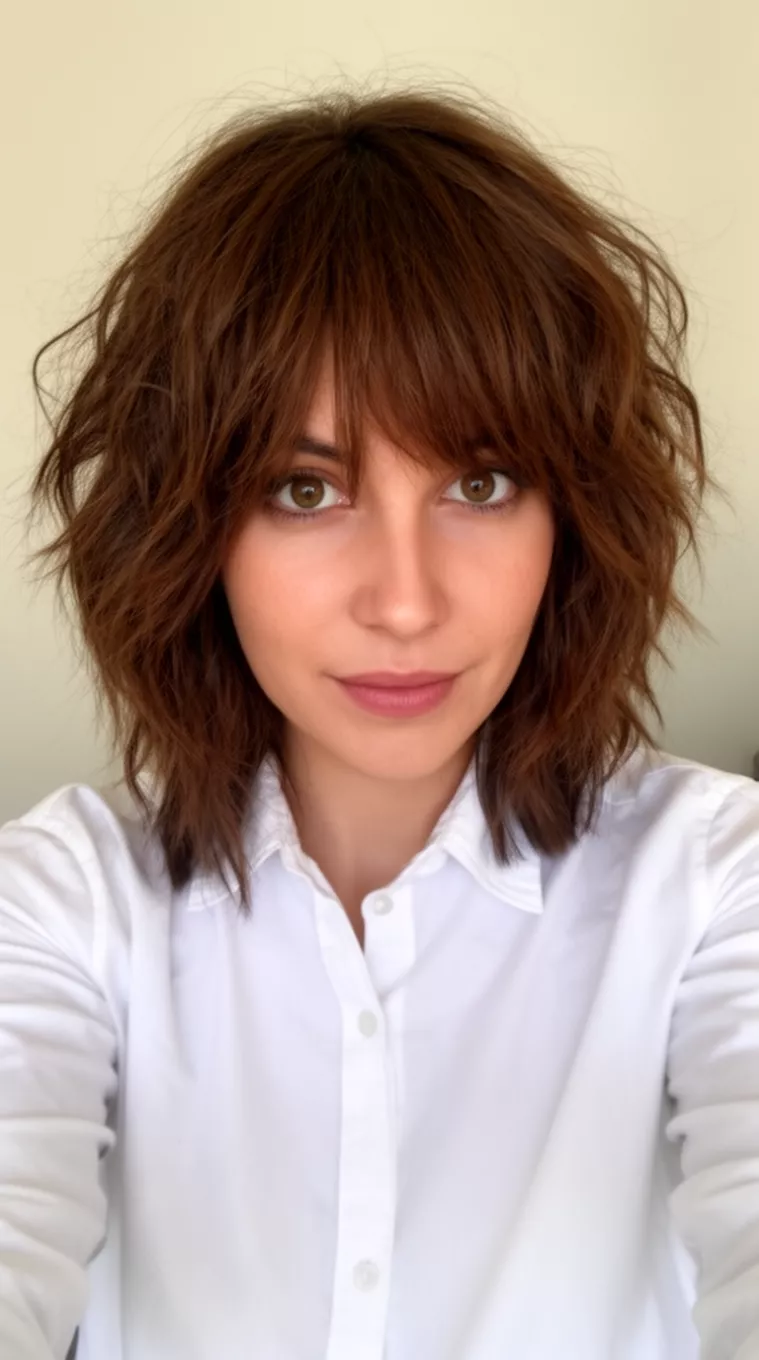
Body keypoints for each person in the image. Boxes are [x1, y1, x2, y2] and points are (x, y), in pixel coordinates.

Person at [1, 78, 757, 1360]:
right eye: (307, 489)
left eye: (481, 479)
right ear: (192, 531)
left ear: (572, 519)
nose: (405, 601)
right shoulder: (66, 902)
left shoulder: (714, 884)